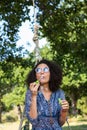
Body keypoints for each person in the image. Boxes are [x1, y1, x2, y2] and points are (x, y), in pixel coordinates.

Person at [25, 59, 69, 130]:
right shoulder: (30, 93)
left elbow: (61, 123)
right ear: (35, 75)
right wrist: (34, 96)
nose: (41, 72)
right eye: (38, 70)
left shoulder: (59, 93)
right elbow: (33, 121)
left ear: (51, 73)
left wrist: (64, 111)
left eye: (45, 69)